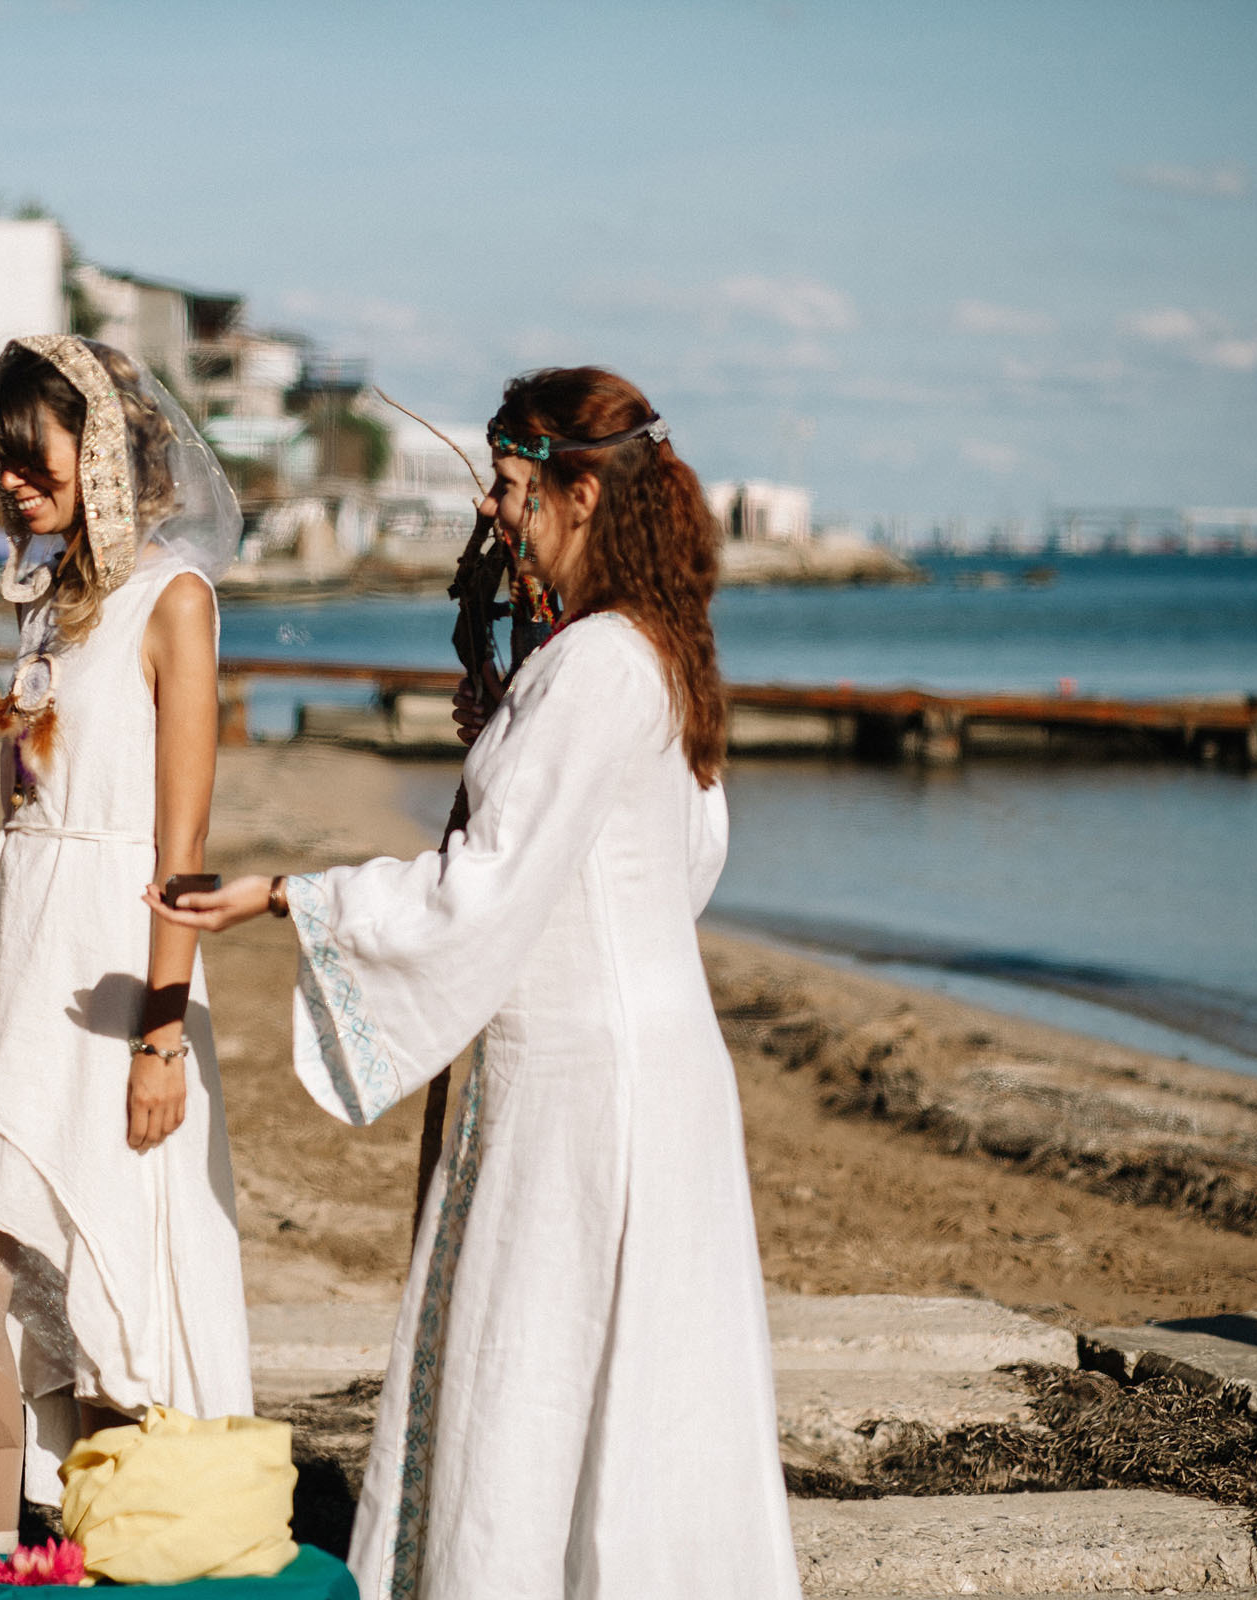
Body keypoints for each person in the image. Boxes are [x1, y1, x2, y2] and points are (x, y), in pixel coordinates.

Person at [151, 369, 802, 1599]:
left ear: (579, 490)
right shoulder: (651, 652)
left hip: (579, 1087)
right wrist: (510, 724)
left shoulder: (594, 666)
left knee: (535, 1367)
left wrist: (293, 894)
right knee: (639, 1395)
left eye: (510, 487)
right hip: (650, 1063)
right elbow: (683, 860)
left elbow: (482, 889)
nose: (495, 513)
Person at [0, 336, 252, 1546]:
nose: (16, 481)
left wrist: (163, 1035)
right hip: (10, 962)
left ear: (110, 455)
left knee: (105, 1288)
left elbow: (178, 845)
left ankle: (111, 1544)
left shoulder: (173, 602)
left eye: (35, 455)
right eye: (0, 460)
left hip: (113, 976)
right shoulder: (48, 605)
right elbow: (28, 811)